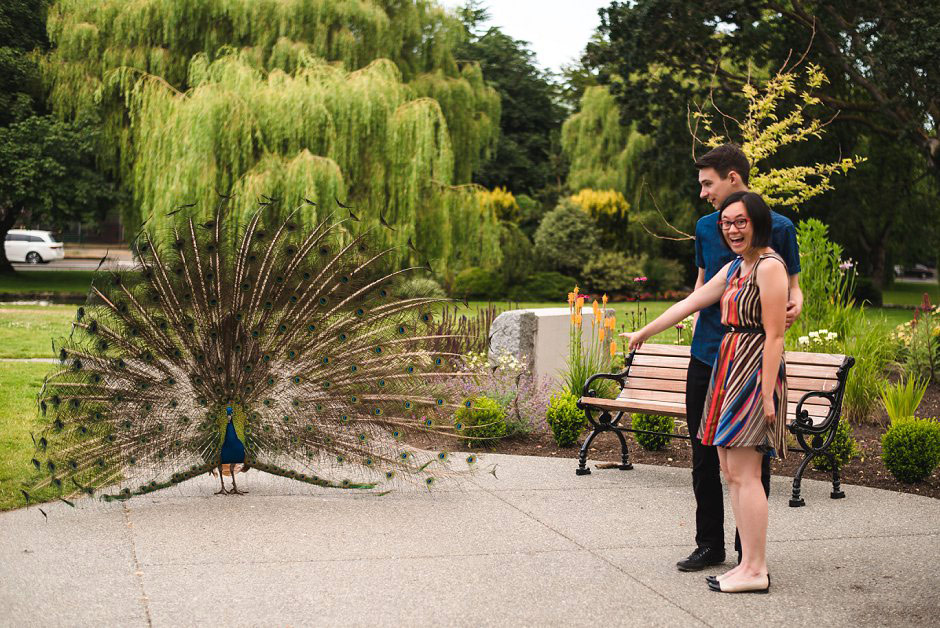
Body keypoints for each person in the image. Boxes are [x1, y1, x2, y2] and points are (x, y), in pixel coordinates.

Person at [623, 191, 788, 593]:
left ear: (758, 222)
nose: (732, 229)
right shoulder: (735, 267)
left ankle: (756, 569)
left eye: (740, 222)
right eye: (726, 223)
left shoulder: (768, 267)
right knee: (731, 472)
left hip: (751, 372)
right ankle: (746, 564)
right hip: (727, 367)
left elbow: (776, 335)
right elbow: (692, 301)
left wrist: (767, 394)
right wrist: (645, 332)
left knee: (747, 474)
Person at [678, 144, 802, 573]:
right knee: (704, 455)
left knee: (750, 460)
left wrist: (795, 302)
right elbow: (702, 286)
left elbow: (791, 285)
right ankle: (709, 544)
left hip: (747, 358)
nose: (703, 194)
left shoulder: (777, 228)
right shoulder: (705, 227)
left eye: (708, 183)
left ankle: (748, 553)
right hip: (708, 355)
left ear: (733, 177)